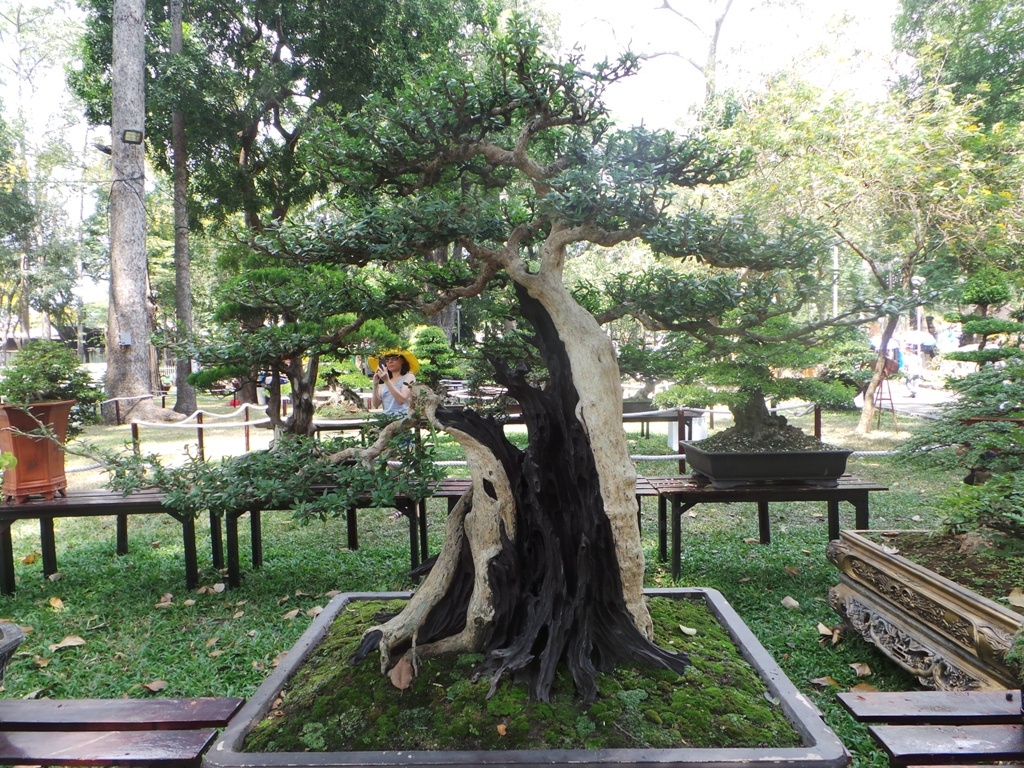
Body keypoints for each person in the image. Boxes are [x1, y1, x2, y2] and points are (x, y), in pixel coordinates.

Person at [368, 348, 419, 415]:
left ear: (402, 360)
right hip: (386, 417)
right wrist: (375, 384)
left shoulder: (409, 377)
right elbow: (376, 404)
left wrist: (387, 381)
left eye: (394, 358)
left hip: (403, 417)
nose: (390, 361)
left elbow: (402, 400)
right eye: (387, 359)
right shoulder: (385, 379)